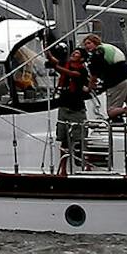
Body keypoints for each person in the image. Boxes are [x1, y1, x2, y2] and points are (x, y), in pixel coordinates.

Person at [52, 41, 92, 174]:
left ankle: (86, 164)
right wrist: (48, 54)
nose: (74, 54)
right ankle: (63, 168)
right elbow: (55, 62)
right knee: (63, 140)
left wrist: (57, 67)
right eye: (74, 52)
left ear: (82, 58)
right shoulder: (66, 64)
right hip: (64, 107)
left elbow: (71, 74)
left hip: (76, 109)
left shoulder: (82, 71)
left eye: (77, 53)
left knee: (80, 138)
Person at [84, 32, 127, 121]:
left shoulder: (96, 55)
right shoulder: (108, 48)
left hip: (117, 81)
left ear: (96, 42)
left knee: (111, 111)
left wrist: (88, 88)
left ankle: (124, 110)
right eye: (85, 44)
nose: (87, 46)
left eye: (89, 43)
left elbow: (94, 77)